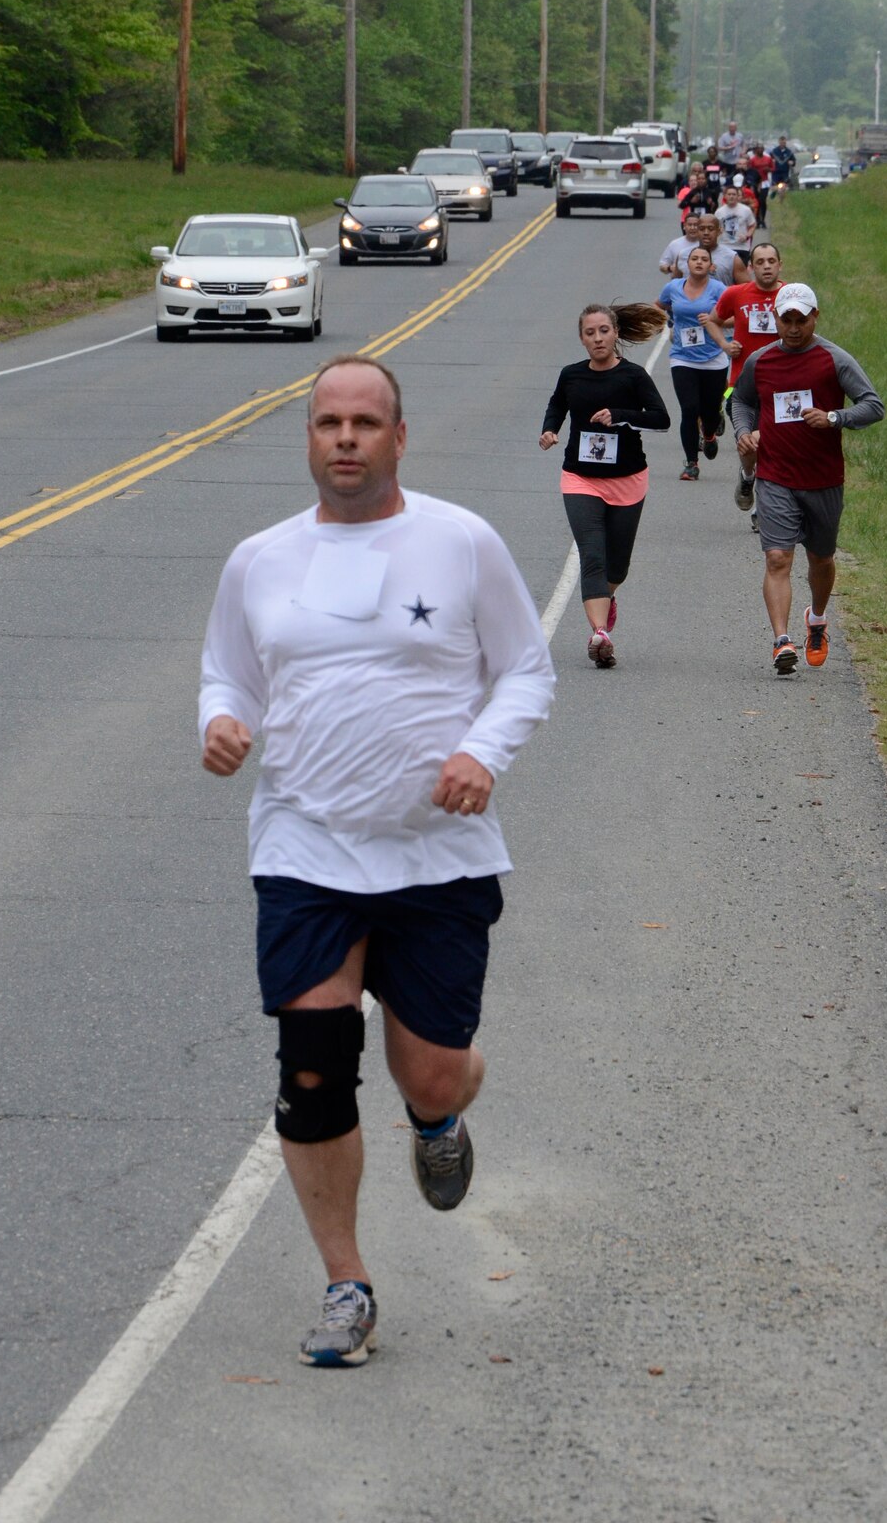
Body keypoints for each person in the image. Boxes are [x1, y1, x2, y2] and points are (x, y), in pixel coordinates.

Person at [200, 355, 554, 1367]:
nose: (345, 437)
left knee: (428, 1065)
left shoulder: (458, 541)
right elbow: (228, 670)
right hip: (305, 843)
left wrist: (479, 752)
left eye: (365, 421)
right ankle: (345, 1282)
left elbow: (525, 669)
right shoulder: (258, 558)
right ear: (307, 437)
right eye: (327, 422)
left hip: (434, 850)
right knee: (312, 1070)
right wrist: (222, 721)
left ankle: (437, 1114)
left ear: (399, 436)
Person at [730, 282, 885, 674]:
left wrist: (835, 417)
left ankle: (816, 618)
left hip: (823, 478)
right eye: (787, 320)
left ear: (815, 317)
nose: (794, 327)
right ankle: (782, 641)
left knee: (821, 558)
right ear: (776, 320)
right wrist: (742, 432)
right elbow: (743, 400)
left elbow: (873, 406)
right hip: (776, 475)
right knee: (778, 557)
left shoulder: (835, 359)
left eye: (802, 319)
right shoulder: (760, 361)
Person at [539, 302, 671, 667]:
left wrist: (621, 417)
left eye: (603, 331)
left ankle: (606, 600)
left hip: (627, 479)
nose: (597, 338)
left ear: (615, 334)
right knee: (592, 554)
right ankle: (600, 634)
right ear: (581, 339)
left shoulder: (633, 377)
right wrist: (550, 429)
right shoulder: (571, 375)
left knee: (617, 567)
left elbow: (661, 419)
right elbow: (557, 405)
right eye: (589, 333)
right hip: (580, 477)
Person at [713, 239, 787, 520]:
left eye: (771, 261)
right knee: (748, 443)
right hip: (739, 387)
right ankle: (747, 476)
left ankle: (761, 509)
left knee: (771, 446)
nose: (766, 267)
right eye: (760, 262)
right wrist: (725, 345)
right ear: (751, 267)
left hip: (780, 386)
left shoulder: (790, 295)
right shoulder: (736, 294)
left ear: (780, 265)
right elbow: (712, 319)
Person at [658, 244, 729, 479]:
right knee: (689, 409)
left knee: (709, 412)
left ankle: (709, 434)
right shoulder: (673, 287)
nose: (698, 262)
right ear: (687, 264)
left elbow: (734, 316)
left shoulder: (719, 289)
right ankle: (691, 463)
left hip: (713, 358)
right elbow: (658, 306)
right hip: (682, 357)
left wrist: (713, 319)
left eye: (703, 259)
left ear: (711, 265)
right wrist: (667, 322)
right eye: (694, 258)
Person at [657, 205, 705, 277]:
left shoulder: (705, 244)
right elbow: (662, 265)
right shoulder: (675, 244)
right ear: (684, 226)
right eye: (689, 225)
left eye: (695, 225)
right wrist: (670, 268)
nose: (692, 228)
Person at [714, 176, 757, 254]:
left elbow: (753, 225)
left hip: (742, 247)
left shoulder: (746, 210)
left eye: (734, 194)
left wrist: (747, 236)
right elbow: (714, 228)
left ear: (738, 196)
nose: (731, 196)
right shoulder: (719, 212)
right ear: (725, 196)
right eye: (729, 194)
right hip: (725, 246)